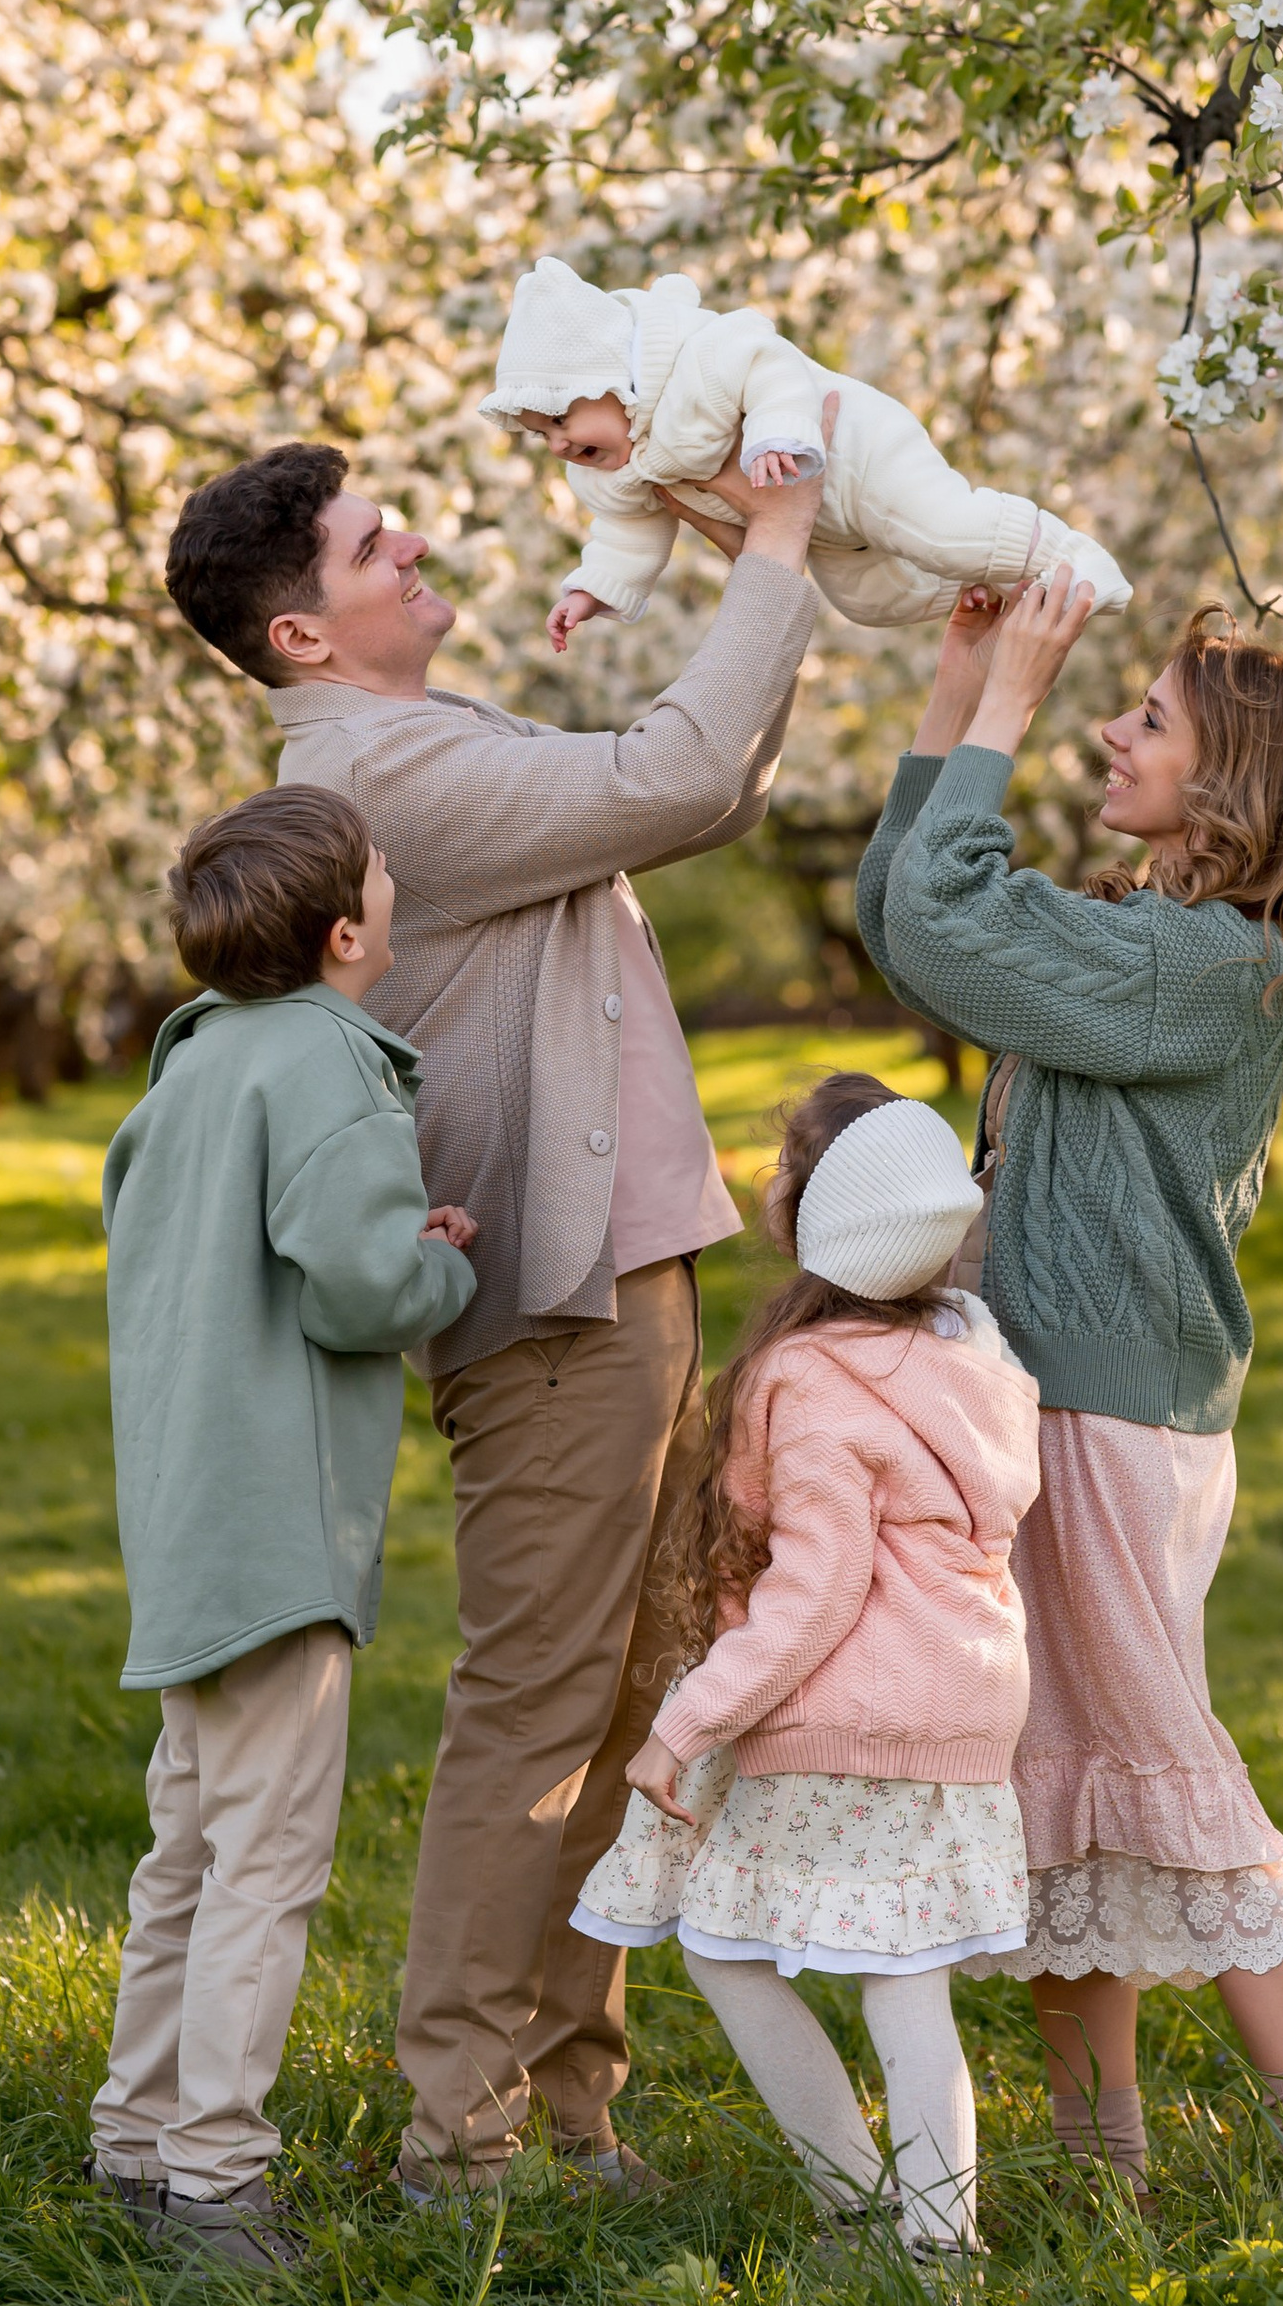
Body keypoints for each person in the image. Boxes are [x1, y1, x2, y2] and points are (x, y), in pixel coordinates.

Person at [157, 424, 827, 2202]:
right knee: (543, 1709)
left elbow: (707, 786)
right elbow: (679, 774)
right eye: (379, 546)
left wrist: (781, 565)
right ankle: (464, 2135)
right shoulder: (381, 782)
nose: (417, 548)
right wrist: (775, 541)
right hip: (549, 1293)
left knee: (620, 1701)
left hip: (613, 1267)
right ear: (304, 634)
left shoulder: (429, 740)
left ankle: (568, 2099)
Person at [857, 579, 1283, 2198]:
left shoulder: (1196, 966)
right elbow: (913, 920)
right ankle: (1097, 2175)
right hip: (1075, 1406)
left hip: (1110, 1424)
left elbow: (942, 915)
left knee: (1162, 1773)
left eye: (1145, 718)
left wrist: (1008, 694)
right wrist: (955, 688)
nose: (1105, 732)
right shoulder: (1139, 941)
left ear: (1229, 783)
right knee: (1075, 1788)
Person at [86, 785, 479, 2270]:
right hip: (277, 1531)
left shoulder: (187, 1073)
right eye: (386, 875)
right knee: (265, 1861)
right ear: (343, 932)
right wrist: (433, 1269)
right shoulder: (326, 1060)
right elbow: (357, 1288)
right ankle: (216, 2182)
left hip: (186, 1516)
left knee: (184, 1846)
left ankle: (136, 2140)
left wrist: (381, 1243)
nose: (396, 888)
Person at [571, 1074, 1042, 2259]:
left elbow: (819, 1589)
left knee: (723, 1943)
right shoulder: (977, 1359)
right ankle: (939, 2250)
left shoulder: (810, 1379)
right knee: (909, 1979)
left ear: (815, 1215)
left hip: (845, 1718)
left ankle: (864, 2205)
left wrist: (686, 1723)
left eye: (785, 1164)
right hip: (965, 1713)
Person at [479, 256, 1130, 650]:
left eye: (563, 416)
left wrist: (777, 431)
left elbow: (769, 361)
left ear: (613, 379)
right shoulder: (617, 473)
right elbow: (627, 533)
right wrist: (595, 589)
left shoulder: (697, 362)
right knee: (868, 602)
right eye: (541, 434)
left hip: (856, 454)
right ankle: (1005, 585)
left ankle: (1072, 558)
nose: (559, 443)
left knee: (941, 531)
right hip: (820, 527)